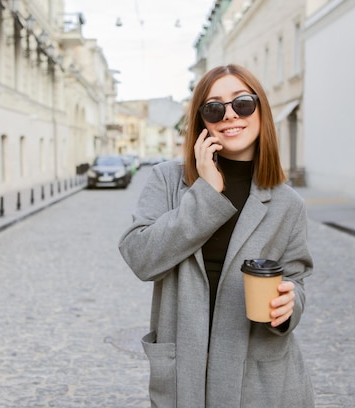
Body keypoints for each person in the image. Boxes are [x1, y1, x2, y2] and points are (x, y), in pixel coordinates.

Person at [118, 64, 314, 408]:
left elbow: (296, 280)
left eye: (242, 103)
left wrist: (289, 304)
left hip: (260, 383)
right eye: (214, 107)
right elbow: (140, 258)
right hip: (184, 378)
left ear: (260, 110)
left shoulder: (287, 202)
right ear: (201, 121)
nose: (229, 115)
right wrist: (206, 193)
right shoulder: (167, 181)